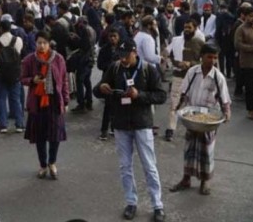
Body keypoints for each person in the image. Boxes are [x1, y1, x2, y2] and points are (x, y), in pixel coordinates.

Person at [94, 39, 167, 222]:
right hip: (120, 124)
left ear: (135, 52)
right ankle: (131, 202)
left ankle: (157, 205)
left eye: (126, 56)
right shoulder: (115, 68)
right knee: (125, 166)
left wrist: (139, 95)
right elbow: (98, 89)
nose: (124, 60)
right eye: (121, 56)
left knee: (149, 166)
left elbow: (161, 96)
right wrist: (101, 88)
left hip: (142, 124)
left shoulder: (148, 70)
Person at [169, 44, 231, 196]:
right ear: (202, 56)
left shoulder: (218, 77)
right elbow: (183, 91)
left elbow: (225, 99)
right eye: (209, 57)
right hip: (192, 116)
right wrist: (178, 106)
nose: (212, 60)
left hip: (209, 119)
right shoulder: (192, 72)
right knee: (189, 148)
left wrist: (227, 112)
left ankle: (205, 181)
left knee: (206, 150)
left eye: (215, 57)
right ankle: (186, 178)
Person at [19, 31, 69, 179]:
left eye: (44, 43)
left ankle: (52, 162)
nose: (42, 46)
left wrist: (65, 100)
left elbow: (64, 80)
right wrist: (32, 80)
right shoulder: (29, 60)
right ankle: (42, 165)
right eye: (39, 43)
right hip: (37, 103)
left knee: (55, 136)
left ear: (49, 44)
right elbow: (22, 78)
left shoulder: (58, 59)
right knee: (40, 136)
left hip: (54, 101)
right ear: (35, 43)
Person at [165, 19, 204, 141]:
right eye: (185, 27)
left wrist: (190, 63)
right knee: (174, 103)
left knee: (191, 104)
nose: (186, 30)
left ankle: (192, 129)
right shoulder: (177, 41)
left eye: (189, 28)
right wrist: (177, 63)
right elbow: (170, 56)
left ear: (195, 28)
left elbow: (203, 60)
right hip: (178, 76)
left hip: (194, 77)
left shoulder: (199, 42)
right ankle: (171, 129)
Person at [0, 20, 24, 133]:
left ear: (0, 28)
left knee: (1, 99)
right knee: (16, 99)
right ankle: (19, 124)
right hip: (15, 72)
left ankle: (3, 125)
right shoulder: (18, 40)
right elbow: (20, 51)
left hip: (1, 72)